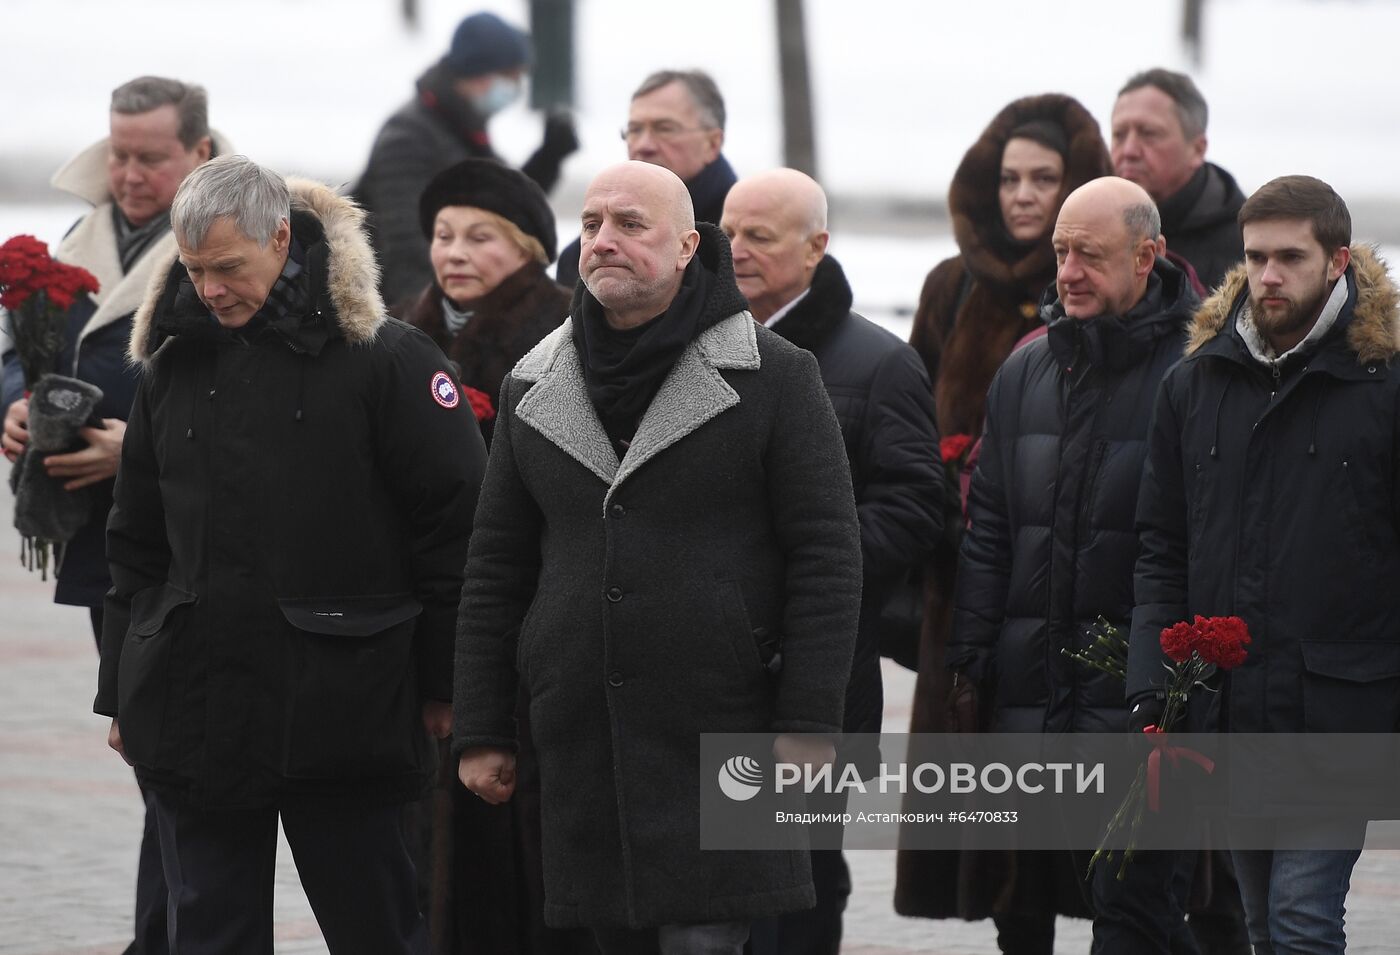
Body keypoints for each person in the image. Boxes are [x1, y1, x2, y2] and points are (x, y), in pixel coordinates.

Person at [453, 160, 862, 954]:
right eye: (592, 223)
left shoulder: (776, 376)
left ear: (686, 247)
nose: (604, 240)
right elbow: (496, 566)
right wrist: (482, 725)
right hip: (581, 739)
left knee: (708, 941)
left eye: (630, 225)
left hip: (724, 726)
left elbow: (827, 556)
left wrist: (810, 723)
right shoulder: (532, 384)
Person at [97, 155, 486, 954]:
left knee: (376, 928)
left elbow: (457, 534)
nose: (209, 290)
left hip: (344, 712)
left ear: (282, 239)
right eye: (195, 269)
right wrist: (124, 687)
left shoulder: (389, 359)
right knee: (207, 933)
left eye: (229, 268)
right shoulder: (170, 363)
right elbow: (135, 542)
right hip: (195, 710)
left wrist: (450, 685)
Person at [1130, 175, 1400, 955]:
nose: (1269, 275)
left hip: (1341, 709)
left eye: (1290, 256)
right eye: (1255, 257)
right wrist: (1154, 681)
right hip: (1227, 706)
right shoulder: (1194, 383)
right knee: (1259, 922)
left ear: (1339, 260)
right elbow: (1161, 543)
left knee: (1301, 920)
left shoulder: (1383, 385)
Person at [1, 74, 226, 955]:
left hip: (197, 541)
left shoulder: (241, 233)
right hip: (105, 542)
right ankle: (163, 931)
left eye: (151, 157)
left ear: (198, 153)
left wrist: (135, 446)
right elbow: (22, 350)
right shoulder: (82, 234)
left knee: (178, 758)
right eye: (119, 153)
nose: (129, 175)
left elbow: (257, 393)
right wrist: (15, 403)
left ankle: (173, 934)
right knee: (150, 755)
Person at [950, 177, 1202, 954]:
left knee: (1133, 910)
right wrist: (972, 653)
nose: (1067, 272)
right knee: (1025, 908)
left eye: (1088, 255)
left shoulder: (1197, 368)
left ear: (1146, 255)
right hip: (1032, 688)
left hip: (1142, 699)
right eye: (1061, 253)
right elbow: (990, 523)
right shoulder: (1028, 368)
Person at [897, 93, 1111, 942]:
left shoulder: (1108, 290)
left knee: (1099, 842)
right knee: (1001, 837)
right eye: (1010, 178)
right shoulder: (952, 288)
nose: (1023, 195)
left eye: (1046, 179)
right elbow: (908, 423)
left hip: (1084, 590)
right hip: (975, 587)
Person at [720, 168, 947, 954]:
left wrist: (808, 568)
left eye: (760, 236)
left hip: (818, 671)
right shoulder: (687, 345)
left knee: (798, 885)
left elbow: (917, 502)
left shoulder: (878, 362)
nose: (737, 251)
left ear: (817, 247)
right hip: (705, 668)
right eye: (727, 233)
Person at [358, 10, 579, 305]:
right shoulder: (408, 139)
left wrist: (549, 157)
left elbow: (505, 207)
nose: (515, 89)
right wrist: (434, 335)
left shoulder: (462, 126)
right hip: (397, 311)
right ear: (480, 73)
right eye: (510, 77)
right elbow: (406, 254)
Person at [393, 157, 570, 444]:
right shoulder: (396, 328)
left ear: (526, 249)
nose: (455, 254)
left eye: (479, 238)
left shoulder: (566, 330)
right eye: (444, 236)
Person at [555, 70, 736, 288]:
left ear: (712, 143)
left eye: (664, 129)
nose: (644, 145)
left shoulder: (740, 245)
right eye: (634, 130)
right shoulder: (577, 259)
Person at [1111, 69, 1245, 290]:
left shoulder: (1247, 246)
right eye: (1119, 135)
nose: (1129, 150)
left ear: (1197, 149)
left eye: (1149, 133)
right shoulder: (1090, 227)